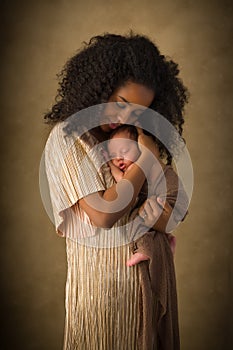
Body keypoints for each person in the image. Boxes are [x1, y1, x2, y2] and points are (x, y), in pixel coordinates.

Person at [43, 32, 189, 350]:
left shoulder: (129, 138)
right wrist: (146, 159)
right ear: (99, 84)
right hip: (101, 299)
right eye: (120, 103)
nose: (124, 117)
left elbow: (167, 211)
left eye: (137, 113)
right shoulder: (68, 139)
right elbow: (103, 213)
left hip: (147, 291)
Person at [106, 124, 181, 266]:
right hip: (173, 195)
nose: (118, 159)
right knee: (153, 219)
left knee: (137, 218)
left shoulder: (139, 165)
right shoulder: (143, 164)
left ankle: (143, 250)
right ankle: (168, 239)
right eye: (113, 156)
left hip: (169, 194)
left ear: (141, 148)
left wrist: (110, 164)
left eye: (124, 151)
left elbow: (123, 183)